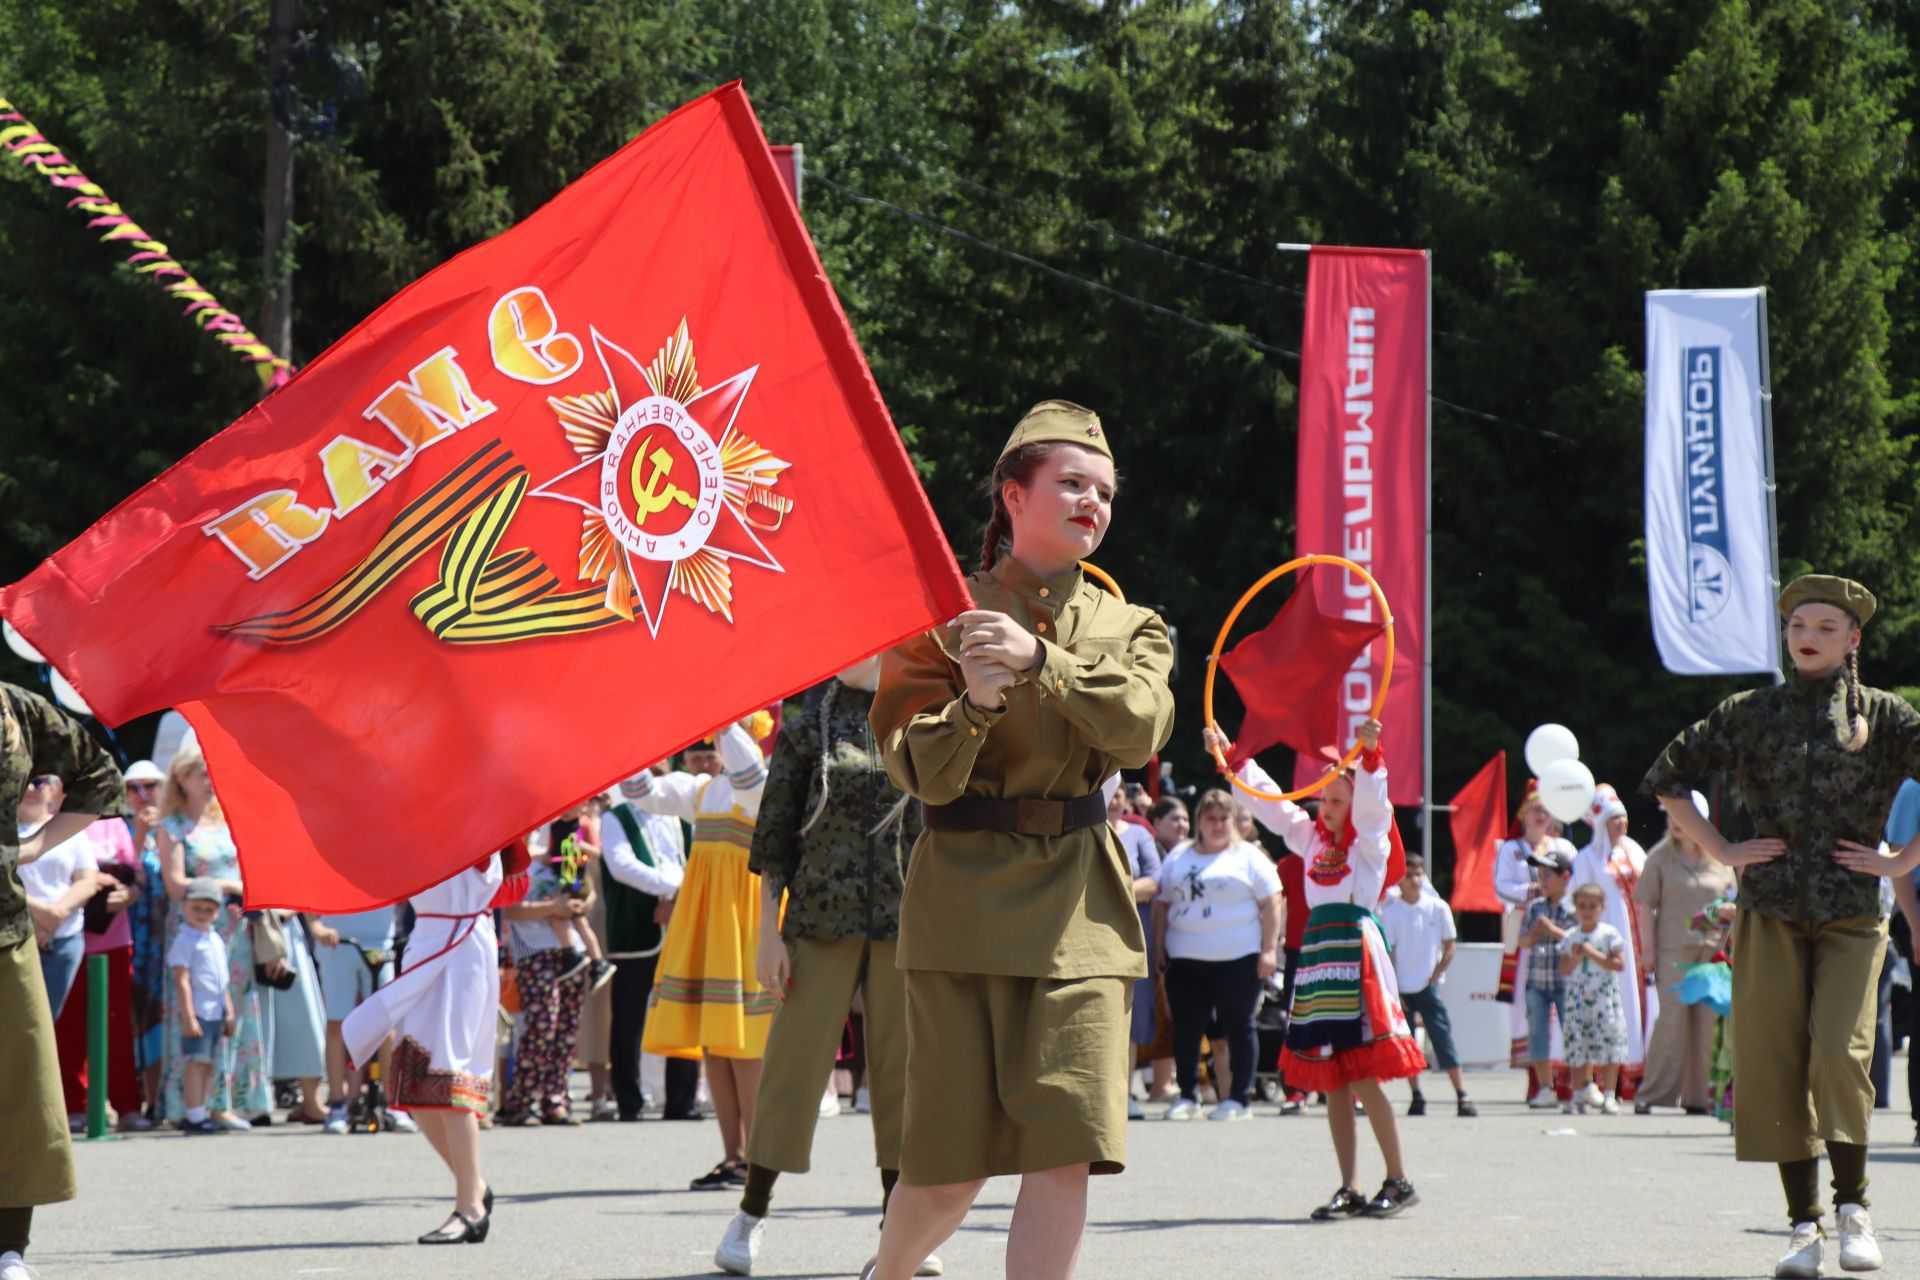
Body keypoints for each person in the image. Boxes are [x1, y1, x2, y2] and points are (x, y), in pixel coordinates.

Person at [864, 400, 1174, 1280]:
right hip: (961, 903)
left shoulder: (1131, 627)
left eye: (1105, 492)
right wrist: (976, 705)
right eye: (1071, 483)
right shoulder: (938, 613)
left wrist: (1045, 665)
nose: (1093, 503)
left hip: (1081, 907)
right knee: (948, 1174)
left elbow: (1143, 729)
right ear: (1013, 493)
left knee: (1064, 1150)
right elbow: (913, 771)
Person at [1648, 574, 1920, 1278]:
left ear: (1853, 639)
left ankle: (1854, 1209)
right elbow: (1669, 779)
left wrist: (1902, 860)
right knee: (1774, 1066)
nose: (1809, 635)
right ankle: (1804, 1227)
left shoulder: (1886, 716)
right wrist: (1723, 849)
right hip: (1767, 910)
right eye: (1800, 623)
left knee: (1838, 1053)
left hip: (1853, 913)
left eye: (1827, 626)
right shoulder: (1749, 712)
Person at [716, 661, 937, 1277]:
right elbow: (775, 833)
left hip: (905, 926)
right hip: (817, 919)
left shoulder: (920, 713)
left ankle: (899, 1229)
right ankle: (750, 1215)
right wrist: (769, 934)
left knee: (904, 1075)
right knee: (793, 1066)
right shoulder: (808, 721)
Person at [1219, 718, 1424, 1218]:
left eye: (1336, 800)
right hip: (1319, 957)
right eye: (1324, 799)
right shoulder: (1310, 839)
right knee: (1333, 1076)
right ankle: (1349, 1185)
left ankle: (1399, 1179)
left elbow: (1377, 814)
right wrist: (1234, 761)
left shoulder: (1367, 847)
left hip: (1355, 953)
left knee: (1361, 1073)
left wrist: (1372, 761)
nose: (1325, 807)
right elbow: (1271, 805)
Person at [1, 681, 125, 1280]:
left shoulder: (17, 709)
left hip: (5, 931)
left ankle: (7, 1249)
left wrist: (26, 850)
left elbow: (101, 778)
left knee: (21, 1091)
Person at [344, 843, 527, 1244]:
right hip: (426, 940)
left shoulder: (480, 811)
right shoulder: (418, 816)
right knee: (414, 1081)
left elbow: (502, 876)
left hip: (463, 945)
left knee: (449, 1072)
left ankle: (470, 1208)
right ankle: (473, 1185)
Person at [629, 720, 772, 1190]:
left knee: (743, 1046)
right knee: (714, 1045)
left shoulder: (768, 781)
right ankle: (733, 1157)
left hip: (743, 923)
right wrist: (628, 739)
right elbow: (643, 792)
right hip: (707, 922)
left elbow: (749, 776)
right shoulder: (702, 789)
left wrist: (724, 717)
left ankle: (756, 1158)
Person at [155, 750, 270, 1128]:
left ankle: (229, 1101)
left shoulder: (228, 823)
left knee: (232, 1013)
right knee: (195, 1011)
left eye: (212, 772)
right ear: (182, 779)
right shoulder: (171, 826)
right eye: (201, 773)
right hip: (195, 929)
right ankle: (192, 1106)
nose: (209, 780)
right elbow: (175, 885)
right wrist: (225, 886)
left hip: (234, 934)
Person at [1151, 788, 1279, 1123]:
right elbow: (1162, 905)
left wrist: (1269, 949)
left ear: (1234, 821)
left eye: (1224, 818)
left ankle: (1239, 1098)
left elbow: (1272, 902)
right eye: (1210, 818)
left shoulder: (1249, 856)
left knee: (1239, 1027)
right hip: (1185, 957)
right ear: (1199, 822)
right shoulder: (1179, 856)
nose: (1218, 824)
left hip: (1238, 958)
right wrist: (1159, 949)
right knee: (1187, 1029)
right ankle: (1189, 1095)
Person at [598, 771, 693, 1121]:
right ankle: (629, 1099)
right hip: (635, 931)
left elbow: (695, 861)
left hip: (680, 923)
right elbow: (622, 866)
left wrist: (677, 895)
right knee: (628, 1019)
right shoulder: (615, 816)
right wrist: (668, 891)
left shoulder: (679, 816)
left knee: (683, 1008)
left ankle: (681, 1100)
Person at [1632, 802, 1735, 1115]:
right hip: (1673, 949)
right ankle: (1653, 1094)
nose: (1676, 823)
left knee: (1708, 1022)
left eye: (1683, 817)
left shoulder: (1721, 858)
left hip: (1713, 950)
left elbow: (1735, 901)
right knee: (1672, 1021)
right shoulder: (1659, 858)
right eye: (1671, 817)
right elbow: (1643, 905)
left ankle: (1701, 1096)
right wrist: (1647, 950)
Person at [53, 788, 145, 1130]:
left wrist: (128, 893)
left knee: (117, 1024)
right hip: (68, 937)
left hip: (115, 939)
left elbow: (137, 875)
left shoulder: (114, 823)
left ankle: (128, 1106)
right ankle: (76, 1106)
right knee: (70, 1026)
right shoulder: (53, 825)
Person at [498, 830, 596, 1125]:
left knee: (567, 1029)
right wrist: (552, 907)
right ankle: (524, 1101)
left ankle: (555, 1099)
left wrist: (583, 903)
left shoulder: (556, 853)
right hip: (533, 950)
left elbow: (585, 888)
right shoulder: (515, 861)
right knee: (542, 1026)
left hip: (570, 952)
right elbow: (511, 910)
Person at [1570, 789, 1654, 1098]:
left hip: (1641, 939)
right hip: (1609, 942)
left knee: (1642, 1000)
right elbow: (1577, 898)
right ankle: (1609, 1080)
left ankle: (1641, 1073)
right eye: (1615, 818)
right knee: (1614, 1007)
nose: (1622, 824)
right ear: (1602, 822)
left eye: (1624, 818)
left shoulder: (1634, 850)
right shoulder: (1588, 857)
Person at [1379, 856, 1475, 1117]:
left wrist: (1435, 975)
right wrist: (1395, 990)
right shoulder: (1391, 912)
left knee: (1443, 1038)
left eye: (1419, 874)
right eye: (1409, 875)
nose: (1415, 880)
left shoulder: (1437, 907)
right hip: (1402, 988)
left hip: (1427, 985)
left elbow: (1450, 945)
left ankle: (1462, 1094)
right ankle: (1417, 1095)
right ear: (1399, 879)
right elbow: (1390, 953)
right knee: (1408, 1045)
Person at [1493, 787, 1577, 1074]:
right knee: (1524, 991)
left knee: (1564, 985)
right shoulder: (1511, 849)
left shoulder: (1563, 848)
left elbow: (1575, 885)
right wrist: (1533, 890)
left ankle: (1566, 1066)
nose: (1541, 815)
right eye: (1535, 809)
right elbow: (1500, 887)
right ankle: (1535, 1070)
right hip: (1522, 921)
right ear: (1523, 814)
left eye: (1546, 809)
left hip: (1559, 920)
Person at [17, 775, 103, 1021]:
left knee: (44, 1023)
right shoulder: (5, 832)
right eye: (25, 780)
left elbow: (87, 880)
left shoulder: (69, 830)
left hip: (63, 938)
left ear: (54, 789)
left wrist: (56, 914)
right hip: (16, 938)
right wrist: (41, 913)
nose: (31, 788)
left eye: (39, 781)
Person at [310, 904, 401, 1133]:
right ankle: (338, 1104)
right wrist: (315, 925)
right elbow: (308, 881)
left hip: (381, 943)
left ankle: (392, 1104)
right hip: (337, 943)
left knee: (386, 1025)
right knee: (336, 1024)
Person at [1107, 781, 1161, 1119]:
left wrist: (1111, 888)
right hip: (1093, 928)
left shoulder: (1139, 835)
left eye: (1118, 796)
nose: (1113, 802)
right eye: (1108, 796)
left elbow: (1155, 880)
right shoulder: (1089, 830)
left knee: (1131, 1014)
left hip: (1132, 932)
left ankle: (1124, 1094)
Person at [121, 759, 170, 1127]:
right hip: (131, 936)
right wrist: (138, 835)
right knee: (133, 1016)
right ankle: (135, 1098)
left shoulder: (173, 828)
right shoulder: (118, 829)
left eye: (150, 786)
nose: (142, 794)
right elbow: (125, 875)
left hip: (166, 939)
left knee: (163, 1015)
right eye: (133, 787)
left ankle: (159, 1099)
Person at [169, 878, 234, 1135]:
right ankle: (194, 1116)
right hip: (198, 1012)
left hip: (215, 1011)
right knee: (197, 1063)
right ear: (184, 907)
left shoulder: (215, 938)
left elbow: (222, 980)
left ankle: (201, 1111)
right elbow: (181, 979)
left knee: (207, 1064)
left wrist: (228, 1009)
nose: (202, 915)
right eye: (196, 908)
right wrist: (188, 1016)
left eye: (208, 910)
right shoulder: (184, 940)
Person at [1558, 882, 1628, 1114]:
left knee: (1609, 1041)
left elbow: (1619, 964)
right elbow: (1564, 969)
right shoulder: (1570, 937)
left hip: (1603, 995)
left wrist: (1592, 953)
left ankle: (1609, 1094)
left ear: (1601, 907)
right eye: (1582, 906)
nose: (1587, 911)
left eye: (1592, 906)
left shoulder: (1609, 934)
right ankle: (1578, 1093)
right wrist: (1577, 957)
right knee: (1579, 1043)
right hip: (1578, 995)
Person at [1520, 852, 1575, 1110]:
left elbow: (1580, 942)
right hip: (1537, 980)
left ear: (1565, 877)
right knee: (1538, 1035)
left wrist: (1552, 931)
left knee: (1573, 1034)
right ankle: (1545, 1088)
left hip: (1567, 981)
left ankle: (1579, 1086)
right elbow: (1521, 942)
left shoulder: (1577, 907)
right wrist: (1534, 932)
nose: (1543, 879)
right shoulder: (1534, 907)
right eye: (1540, 874)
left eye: (1548, 874)